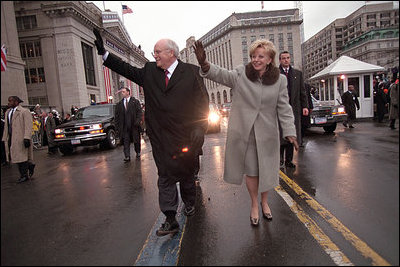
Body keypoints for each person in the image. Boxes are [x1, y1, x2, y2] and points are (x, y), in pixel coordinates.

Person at [93, 28, 209, 236]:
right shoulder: (148, 71)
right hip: (161, 138)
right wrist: (105, 54)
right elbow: (126, 69)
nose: (154, 55)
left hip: (186, 136)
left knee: (186, 174)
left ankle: (190, 203)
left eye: (157, 52)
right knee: (165, 176)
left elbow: (203, 103)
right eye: (154, 52)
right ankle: (170, 217)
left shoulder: (191, 72)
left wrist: (200, 128)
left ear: (171, 53)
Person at [193, 39, 298, 226]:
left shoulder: (280, 80)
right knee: (252, 172)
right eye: (253, 56)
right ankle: (253, 205)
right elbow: (222, 75)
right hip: (246, 133)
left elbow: (284, 107)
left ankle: (264, 202)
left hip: (267, 134)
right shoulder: (242, 73)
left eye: (260, 56)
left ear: (270, 59)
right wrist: (204, 64)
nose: (256, 59)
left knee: (266, 170)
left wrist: (290, 131)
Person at [278, 51, 308, 168]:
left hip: (293, 110)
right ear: (279, 60)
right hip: (279, 111)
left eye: (288, 58)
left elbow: (302, 92)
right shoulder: (275, 73)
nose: (286, 60)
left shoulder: (297, 74)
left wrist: (305, 106)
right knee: (281, 135)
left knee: (291, 134)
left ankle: (288, 160)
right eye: (283, 58)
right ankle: (280, 159)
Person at [2, 96, 35, 183]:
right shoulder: (8, 112)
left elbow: (28, 125)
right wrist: (5, 137)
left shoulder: (24, 111)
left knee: (21, 157)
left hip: (20, 137)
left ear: (16, 102)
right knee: (15, 157)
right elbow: (7, 126)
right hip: (11, 137)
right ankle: (29, 166)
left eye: (11, 101)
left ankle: (24, 175)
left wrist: (27, 137)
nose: (9, 103)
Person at [115, 86, 143, 161]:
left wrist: (137, 121)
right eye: (122, 92)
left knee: (136, 140)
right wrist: (117, 127)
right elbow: (117, 116)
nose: (122, 93)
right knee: (125, 141)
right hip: (124, 127)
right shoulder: (120, 104)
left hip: (134, 125)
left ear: (128, 92)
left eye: (123, 92)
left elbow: (139, 112)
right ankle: (127, 156)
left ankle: (138, 152)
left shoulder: (135, 102)